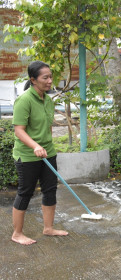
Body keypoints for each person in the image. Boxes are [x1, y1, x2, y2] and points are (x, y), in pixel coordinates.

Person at [11, 61, 68, 245]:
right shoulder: (24, 100)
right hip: (27, 155)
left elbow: (47, 127)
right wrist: (35, 146)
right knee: (25, 192)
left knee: (50, 190)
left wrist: (47, 146)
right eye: (45, 77)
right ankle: (17, 234)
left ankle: (48, 228)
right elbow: (19, 130)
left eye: (51, 77)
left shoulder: (48, 100)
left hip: (47, 153)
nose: (50, 81)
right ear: (33, 80)